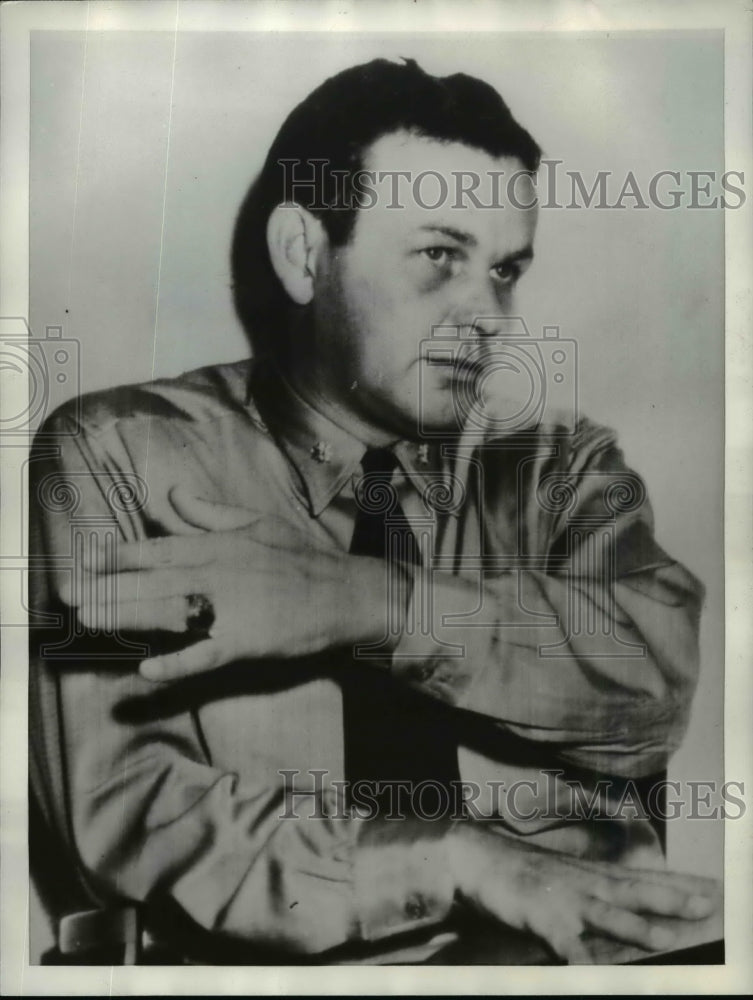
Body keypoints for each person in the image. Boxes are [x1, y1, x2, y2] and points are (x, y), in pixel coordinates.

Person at [30, 58, 712, 963]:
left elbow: (652, 684)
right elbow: (129, 811)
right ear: (304, 253)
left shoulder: (558, 468)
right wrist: (451, 857)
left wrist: (366, 602)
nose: (489, 316)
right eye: (440, 255)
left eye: (504, 270)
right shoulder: (117, 454)